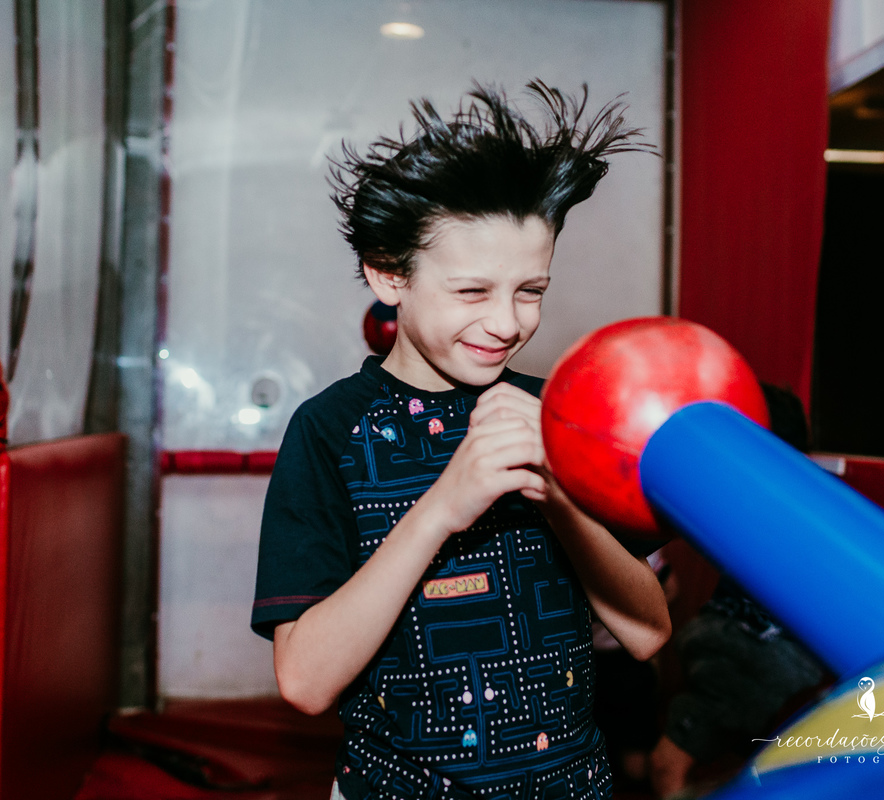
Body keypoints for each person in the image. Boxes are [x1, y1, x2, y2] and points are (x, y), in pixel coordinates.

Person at [250, 81, 671, 800]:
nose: (507, 323)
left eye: (530, 290)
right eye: (473, 292)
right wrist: (443, 505)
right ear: (390, 275)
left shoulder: (559, 413)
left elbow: (647, 633)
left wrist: (560, 499)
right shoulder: (330, 432)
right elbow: (305, 682)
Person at [647, 385, 829, 799]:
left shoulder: (780, 505)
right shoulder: (779, 499)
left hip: (753, 658)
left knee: (665, 764)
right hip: (746, 654)